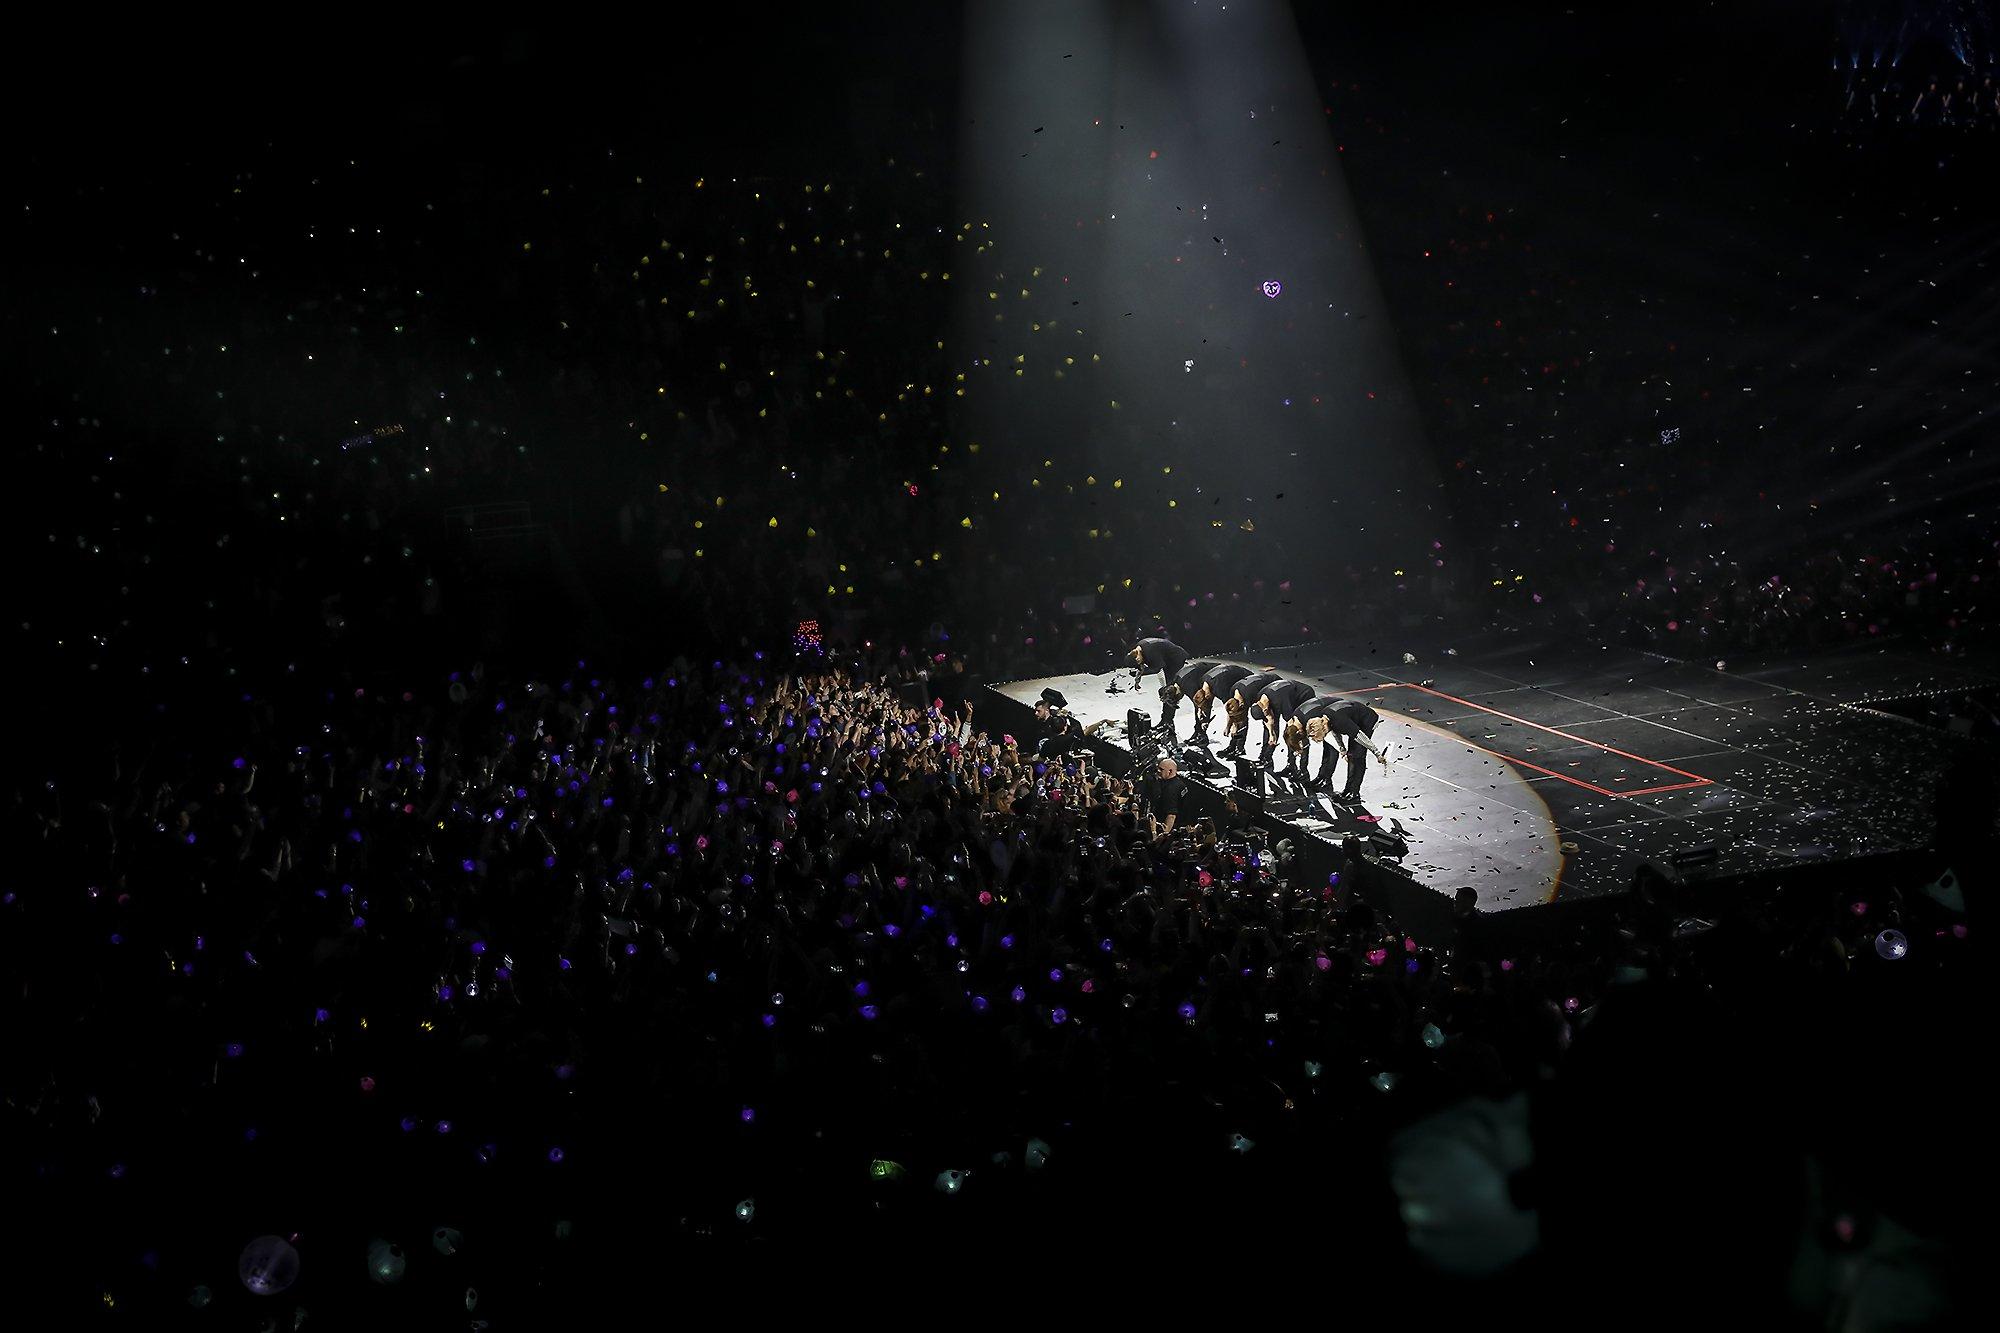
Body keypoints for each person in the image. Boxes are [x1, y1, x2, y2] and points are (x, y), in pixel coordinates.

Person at [1318, 697, 1390, 803]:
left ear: (1324, 727)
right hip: (1354, 720)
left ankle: (1354, 793)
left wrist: (1377, 753)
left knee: (1357, 756)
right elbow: (1335, 732)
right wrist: (1342, 749)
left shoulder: (1339, 721)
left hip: (1367, 721)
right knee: (1351, 755)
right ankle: (1348, 790)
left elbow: (1360, 736)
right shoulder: (1324, 718)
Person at [1253, 678, 1317, 773]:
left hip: (1304, 696)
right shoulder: (1261, 697)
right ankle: (1286, 763)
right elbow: (1269, 722)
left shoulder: (1280, 701)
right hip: (1288, 694)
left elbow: (1291, 724)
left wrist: (1295, 746)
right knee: (1282, 732)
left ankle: (1302, 771)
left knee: (1294, 732)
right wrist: (1272, 734)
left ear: (1265, 709)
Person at [1217, 669, 1283, 760]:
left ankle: (1265, 755)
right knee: (1240, 724)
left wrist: (1271, 732)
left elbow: (1269, 719)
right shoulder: (1233, 692)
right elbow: (1233, 714)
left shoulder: (1249, 696)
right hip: (1258, 684)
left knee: (1269, 722)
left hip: (1274, 686)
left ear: (1241, 705)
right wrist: (1229, 727)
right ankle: (1235, 746)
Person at [1127, 636, 1189, 729]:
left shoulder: (1150, 652)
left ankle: (1168, 722)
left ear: (1137, 658)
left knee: (1169, 693)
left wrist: (1142, 672)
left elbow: (1157, 668)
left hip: (1176, 660)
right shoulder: (1139, 647)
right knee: (1166, 692)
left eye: (1139, 663)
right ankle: (1165, 721)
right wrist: (1139, 673)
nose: (1142, 664)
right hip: (1168, 660)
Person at [1188, 662, 1253, 747]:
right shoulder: (1203, 682)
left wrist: (1229, 727)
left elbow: (1231, 710)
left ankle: (1238, 747)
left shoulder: (1220, 689)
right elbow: (1204, 704)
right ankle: (1233, 746)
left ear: (1207, 696)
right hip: (1228, 675)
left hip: (1245, 680)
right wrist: (1201, 714)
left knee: (1239, 715)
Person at [1144, 756, 1185, 842]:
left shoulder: (1170, 790)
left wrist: (1162, 837)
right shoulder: (1179, 783)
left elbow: (1171, 815)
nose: (1158, 771)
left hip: (1167, 825)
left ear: (1170, 771)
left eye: (1161, 769)